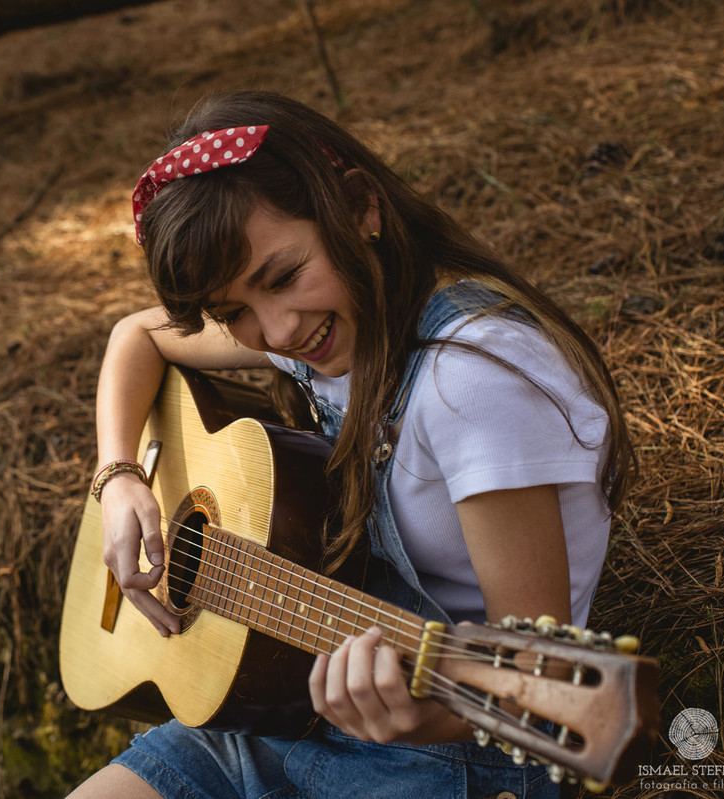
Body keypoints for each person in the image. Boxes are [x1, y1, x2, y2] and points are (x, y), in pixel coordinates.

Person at [69, 91, 633, 799]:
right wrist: (121, 477)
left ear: (361, 208)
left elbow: (537, 674)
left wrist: (423, 717)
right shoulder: (332, 329)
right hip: (276, 703)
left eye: (283, 277)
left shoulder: (469, 381)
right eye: (232, 311)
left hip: (451, 754)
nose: (277, 332)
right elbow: (136, 335)